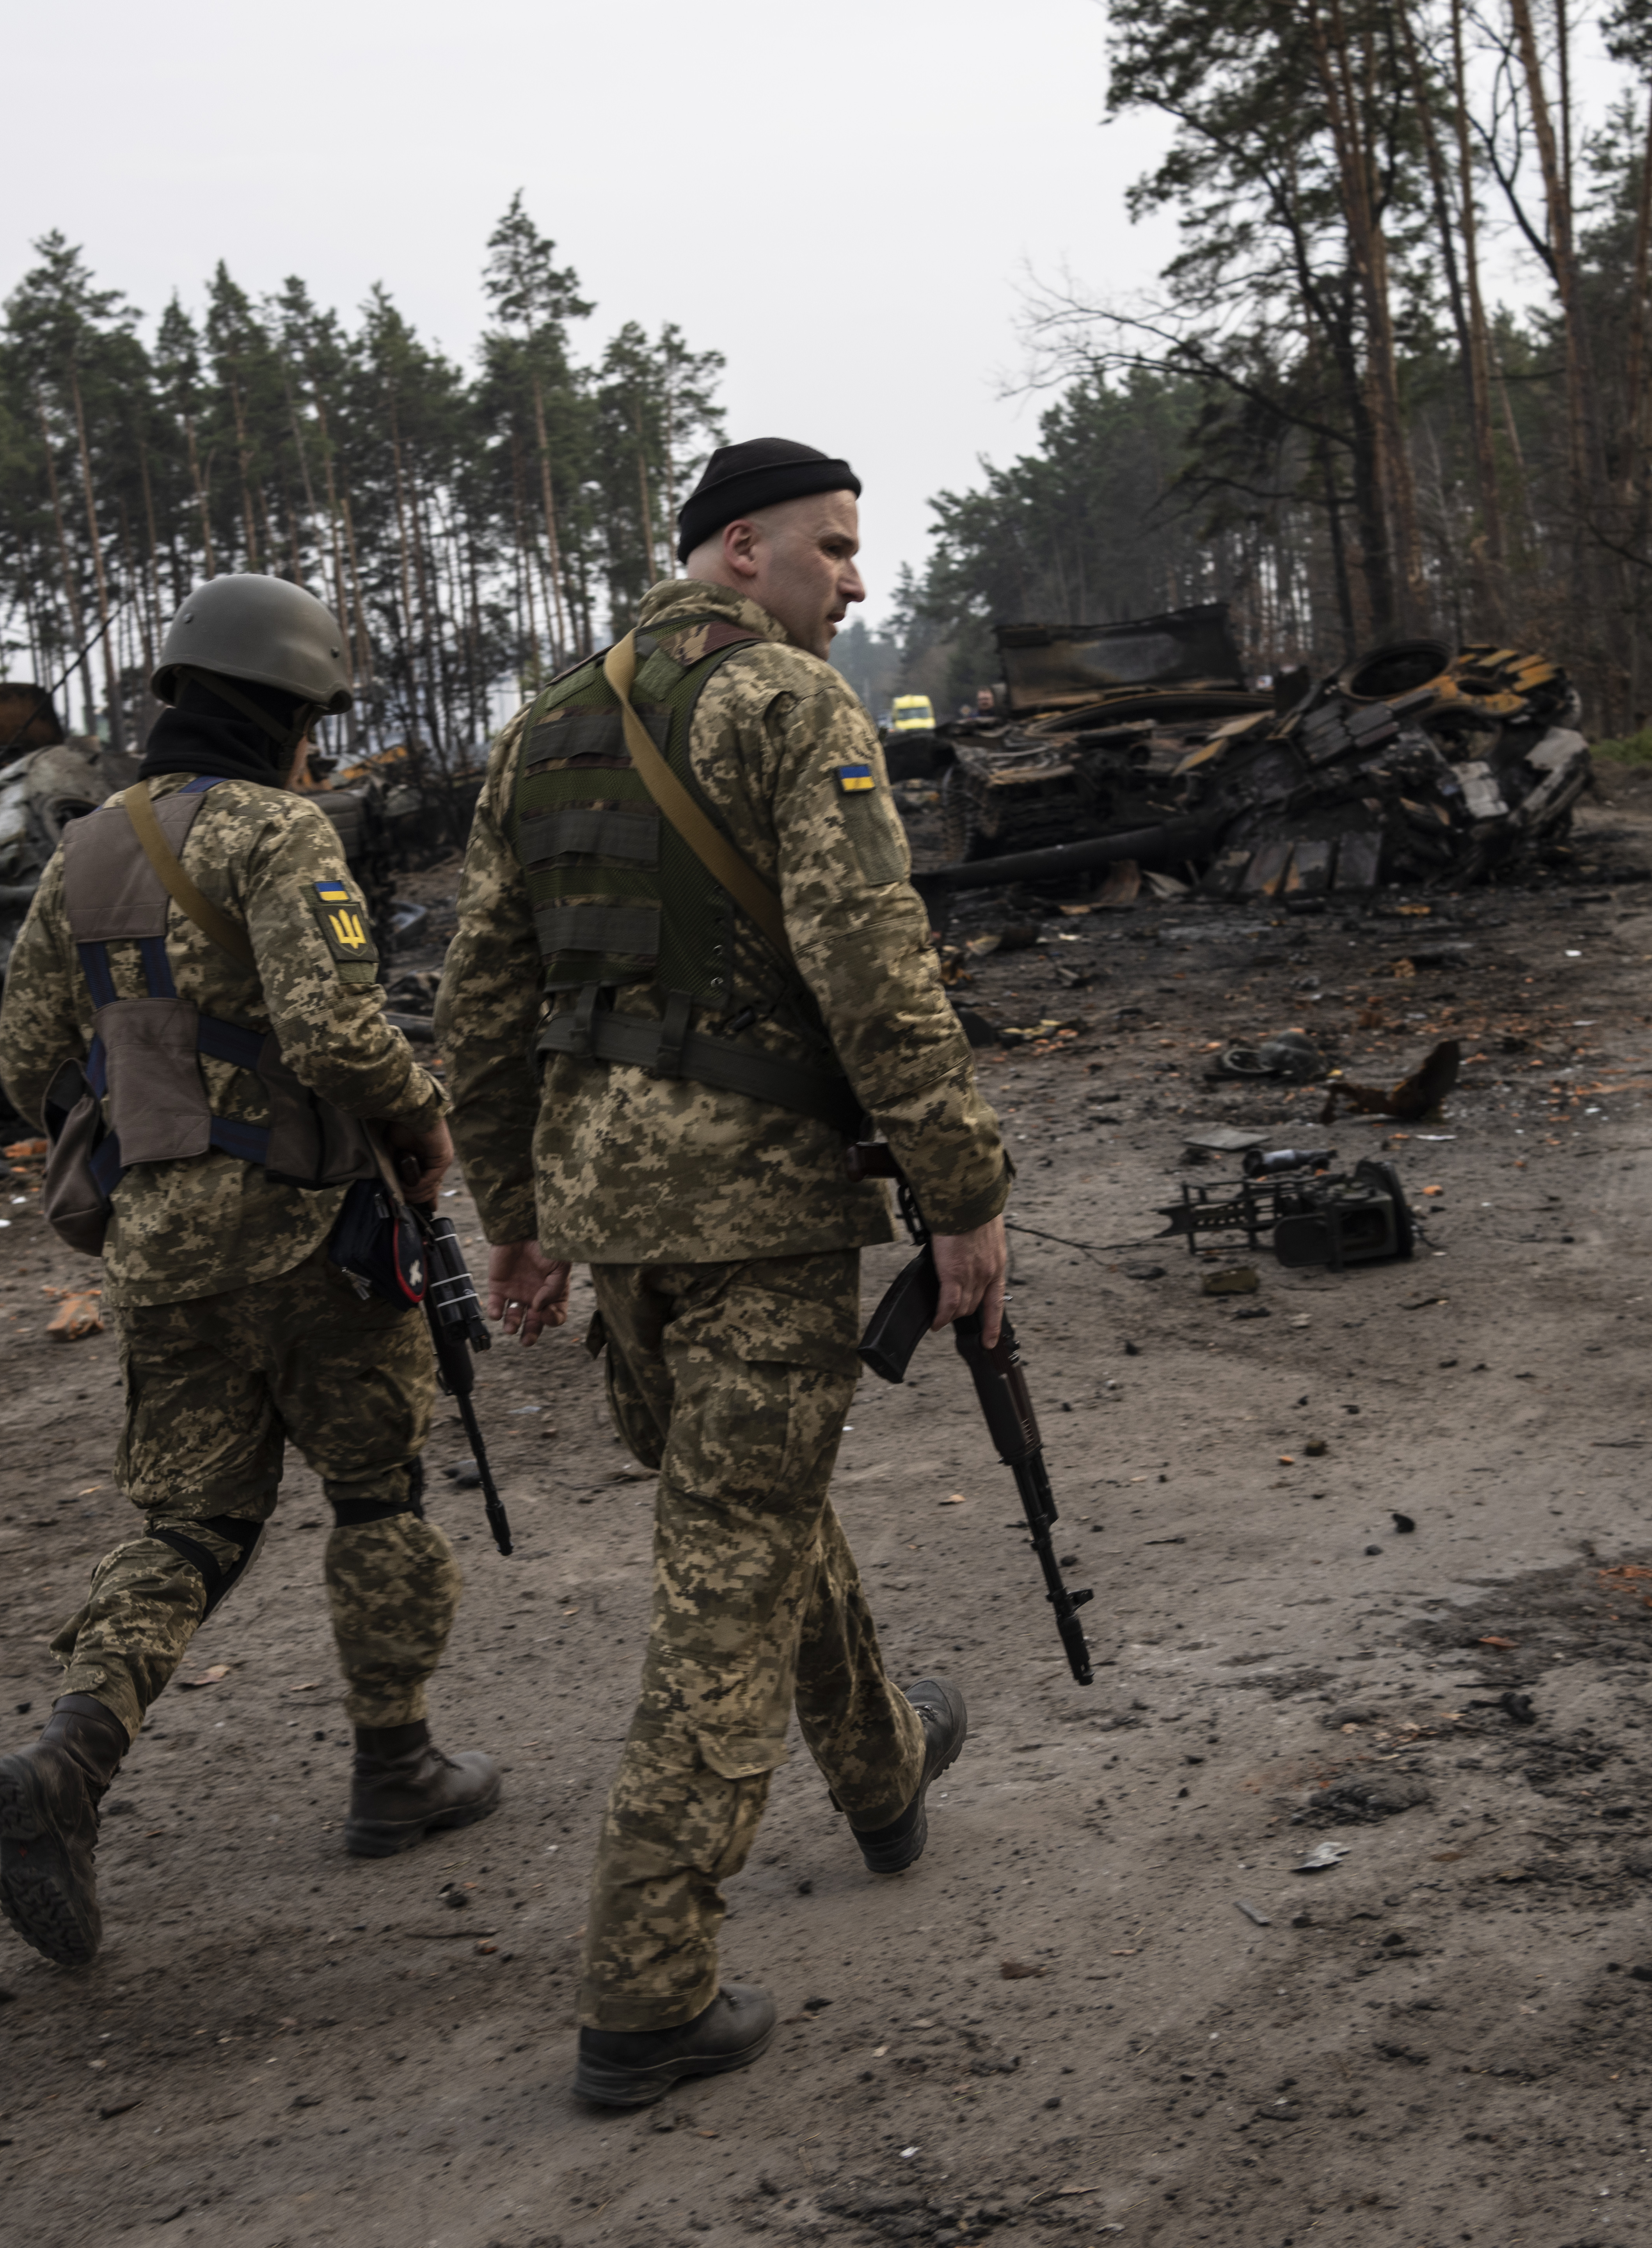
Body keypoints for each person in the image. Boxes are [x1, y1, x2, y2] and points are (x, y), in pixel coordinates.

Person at [436, 439, 1012, 2106]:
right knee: (727, 1579)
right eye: (835, 550)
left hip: (623, 1225)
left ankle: (885, 1764)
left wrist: (522, 1209)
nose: (857, 580)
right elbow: (875, 968)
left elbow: (483, 990)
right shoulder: (787, 708)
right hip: (758, 1218)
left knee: (742, 1514)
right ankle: (646, 1985)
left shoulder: (545, 724)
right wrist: (964, 1189)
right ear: (739, 553)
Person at [0, 573, 499, 1971]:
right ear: (291, 715)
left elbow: (27, 1064)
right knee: (378, 1492)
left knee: (191, 1525)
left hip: (154, 1249)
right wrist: (425, 1112)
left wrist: (153, 1116)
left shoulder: (81, 852)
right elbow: (335, 1032)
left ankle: (71, 1759)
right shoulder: (285, 836)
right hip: (313, 1230)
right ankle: (397, 1771)